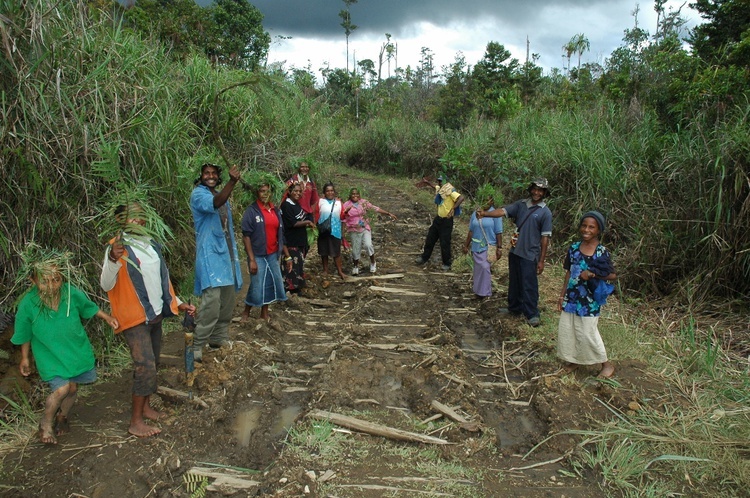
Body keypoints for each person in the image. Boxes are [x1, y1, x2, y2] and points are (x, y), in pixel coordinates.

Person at [101, 203, 196, 438]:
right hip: (133, 318)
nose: (138, 221)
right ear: (120, 220)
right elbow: (105, 284)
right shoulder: (116, 248)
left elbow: (161, 281)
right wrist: (113, 260)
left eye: (141, 217)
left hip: (153, 314)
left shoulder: (152, 245)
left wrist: (179, 302)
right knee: (145, 366)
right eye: (132, 218)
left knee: (151, 363)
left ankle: (145, 406)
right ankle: (135, 421)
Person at [12, 253, 119, 444]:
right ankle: (46, 423)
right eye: (45, 281)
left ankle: (62, 416)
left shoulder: (70, 293)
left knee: (72, 388)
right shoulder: (28, 304)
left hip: (74, 349)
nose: (52, 286)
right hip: (49, 354)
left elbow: (89, 307)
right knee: (62, 389)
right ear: (33, 280)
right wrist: (25, 357)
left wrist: (107, 317)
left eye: (56, 279)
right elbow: (24, 333)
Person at [477, 178, 552, 326]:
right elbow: (503, 211)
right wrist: (485, 213)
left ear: (544, 193)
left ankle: (532, 313)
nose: (536, 193)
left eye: (540, 190)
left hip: (530, 254)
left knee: (529, 284)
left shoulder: (545, 213)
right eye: (535, 189)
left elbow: (545, 239)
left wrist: (542, 260)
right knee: (515, 281)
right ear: (531, 189)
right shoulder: (521, 205)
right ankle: (514, 308)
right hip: (515, 251)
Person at [190, 163, 243, 362]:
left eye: (213, 173)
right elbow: (215, 203)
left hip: (226, 252)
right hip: (210, 253)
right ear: (201, 176)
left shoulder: (221, 193)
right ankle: (197, 343)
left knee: (227, 299)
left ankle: (218, 337)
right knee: (211, 300)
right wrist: (232, 181)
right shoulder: (199, 195)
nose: (210, 176)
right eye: (206, 173)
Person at [556, 211, 617, 378]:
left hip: (589, 299)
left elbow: (612, 275)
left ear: (598, 230)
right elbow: (568, 273)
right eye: (584, 225)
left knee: (588, 332)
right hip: (573, 296)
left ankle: (606, 364)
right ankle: (574, 361)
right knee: (570, 329)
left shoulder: (601, 252)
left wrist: (592, 274)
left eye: (592, 227)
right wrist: (562, 296)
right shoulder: (574, 248)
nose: (586, 229)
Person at [240, 182, 292, 321]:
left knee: (271, 281)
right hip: (257, 254)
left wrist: (287, 256)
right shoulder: (252, 211)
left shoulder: (275, 210)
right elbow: (246, 236)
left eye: (267, 191)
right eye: (262, 191)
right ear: (257, 193)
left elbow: (280, 233)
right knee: (257, 283)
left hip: (273, 253)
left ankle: (264, 312)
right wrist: (251, 259)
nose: (265, 194)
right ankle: (246, 311)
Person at [342, 188, 397, 275]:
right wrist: (346, 212)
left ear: (359, 195)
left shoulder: (363, 203)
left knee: (368, 245)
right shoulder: (346, 204)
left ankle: (373, 262)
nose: (355, 195)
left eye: (356, 194)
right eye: (353, 194)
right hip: (353, 229)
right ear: (350, 195)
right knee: (355, 250)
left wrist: (388, 213)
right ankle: (355, 266)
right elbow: (343, 217)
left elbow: (375, 208)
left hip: (364, 227)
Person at [415, 175, 464, 271]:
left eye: (441, 181)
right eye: (439, 181)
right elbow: (435, 187)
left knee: (444, 242)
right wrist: (427, 183)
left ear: (445, 182)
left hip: (446, 221)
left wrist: (453, 208)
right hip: (438, 219)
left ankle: (447, 263)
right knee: (430, 238)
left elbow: (461, 198)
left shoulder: (450, 191)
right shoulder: (441, 189)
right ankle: (424, 257)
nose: (439, 183)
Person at [462, 195, 503, 299]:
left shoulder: (495, 214)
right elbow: (471, 230)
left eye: (488, 200)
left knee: (485, 267)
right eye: (483, 200)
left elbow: (499, 232)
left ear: (491, 201)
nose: (485, 203)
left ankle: (485, 292)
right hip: (476, 246)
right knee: (478, 269)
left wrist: (499, 248)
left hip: (488, 246)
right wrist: (466, 245)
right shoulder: (475, 213)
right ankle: (478, 291)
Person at [281, 182, 315, 294]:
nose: (298, 193)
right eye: (295, 191)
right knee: (291, 267)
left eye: (300, 191)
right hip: (291, 242)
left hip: (300, 241)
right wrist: (307, 222)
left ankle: (297, 288)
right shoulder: (286, 205)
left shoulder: (296, 204)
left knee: (298, 265)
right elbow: (292, 223)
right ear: (289, 192)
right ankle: (290, 290)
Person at [317, 182, 346, 280]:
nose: (330, 192)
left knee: (336, 252)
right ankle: (325, 270)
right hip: (323, 230)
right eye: (327, 191)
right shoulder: (320, 201)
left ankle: (340, 271)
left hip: (335, 230)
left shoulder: (339, 203)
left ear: (334, 192)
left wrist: (343, 232)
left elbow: (342, 217)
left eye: (332, 190)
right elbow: (315, 213)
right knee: (324, 251)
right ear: (324, 193)